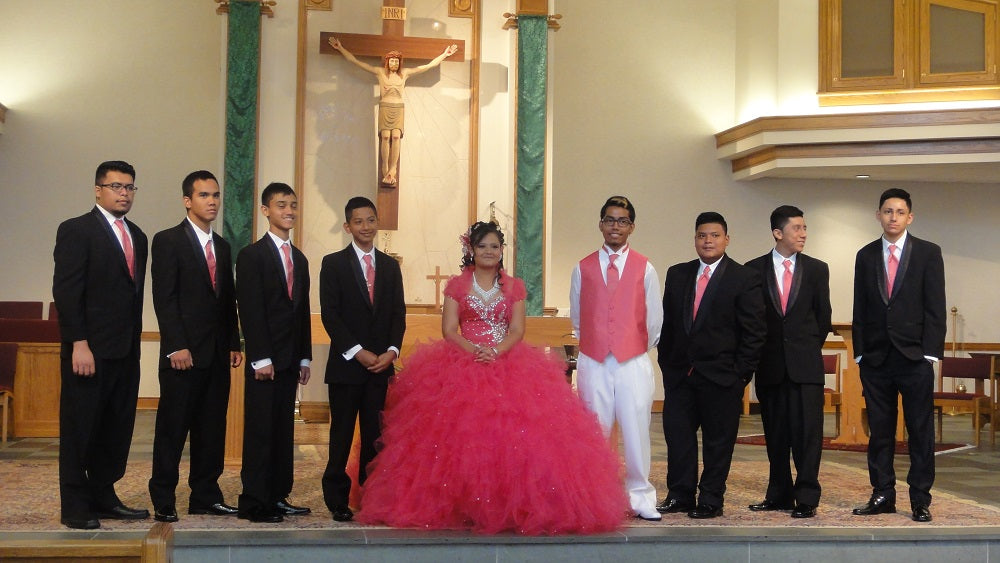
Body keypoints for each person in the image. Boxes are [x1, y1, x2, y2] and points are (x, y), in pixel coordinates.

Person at [358, 221, 627, 534]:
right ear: (472, 250)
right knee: (458, 438)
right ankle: (464, 504)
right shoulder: (457, 286)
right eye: (482, 246)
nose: (488, 251)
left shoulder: (514, 287)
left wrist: (496, 351)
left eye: (494, 246)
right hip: (463, 361)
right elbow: (449, 330)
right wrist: (474, 350)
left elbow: (517, 329)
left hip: (507, 360)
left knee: (517, 436)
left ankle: (510, 504)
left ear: (501, 251)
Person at [53, 160, 150, 529]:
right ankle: (75, 506)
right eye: (116, 186)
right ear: (98, 190)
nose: (124, 193)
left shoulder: (137, 236)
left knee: (115, 428)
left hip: (125, 350)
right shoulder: (77, 230)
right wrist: (78, 342)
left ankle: (104, 496)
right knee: (80, 428)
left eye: (129, 187)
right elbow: (67, 291)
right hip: (88, 350)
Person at [147, 170, 243, 523]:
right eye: (204, 195)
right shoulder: (168, 240)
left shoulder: (223, 246)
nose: (212, 201)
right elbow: (165, 297)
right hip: (182, 356)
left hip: (216, 355)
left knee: (211, 429)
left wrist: (233, 341)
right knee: (172, 430)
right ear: (187, 201)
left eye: (215, 195)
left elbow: (227, 299)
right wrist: (176, 346)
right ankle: (163, 497)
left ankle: (205, 495)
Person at [656, 212, 766, 519]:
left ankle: (711, 499)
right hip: (680, 376)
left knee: (718, 443)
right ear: (695, 239)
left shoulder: (744, 277)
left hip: (722, 378)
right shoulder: (678, 273)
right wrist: (667, 365)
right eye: (702, 235)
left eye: (715, 235)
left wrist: (740, 375)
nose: (708, 241)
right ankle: (679, 495)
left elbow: (755, 332)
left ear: (726, 239)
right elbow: (668, 324)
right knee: (679, 438)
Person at [851, 188, 945, 523]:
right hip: (876, 359)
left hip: (914, 357)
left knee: (920, 431)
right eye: (888, 211)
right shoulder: (865, 255)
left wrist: (930, 354)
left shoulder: (928, 253)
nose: (893, 217)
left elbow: (935, 306)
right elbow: (860, 306)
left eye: (900, 212)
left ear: (910, 217)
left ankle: (920, 498)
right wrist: (860, 353)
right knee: (880, 431)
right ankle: (882, 494)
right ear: (878, 215)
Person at [570, 195, 663, 521]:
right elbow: (578, 315)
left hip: (632, 360)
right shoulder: (582, 267)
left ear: (631, 227)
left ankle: (640, 496)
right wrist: (596, 341)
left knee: (636, 429)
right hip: (594, 360)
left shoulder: (645, 267)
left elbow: (654, 319)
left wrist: (632, 345)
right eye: (610, 220)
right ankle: (597, 496)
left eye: (622, 221)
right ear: (601, 224)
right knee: (594, 431)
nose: (615, 226)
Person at [319, 196, 406, 523]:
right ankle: (337, 499)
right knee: (341, 436)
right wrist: (358, 352)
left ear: (376, 222)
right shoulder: (333, 264)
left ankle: (371, 496)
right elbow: (331, 315)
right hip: (346, 367)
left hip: (380, 367)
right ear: (347, 226)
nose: (365, 227)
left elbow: (398, 313)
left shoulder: (390, 266)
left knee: (375, 436)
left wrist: (391, 351)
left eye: (370, 220)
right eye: (358, 221)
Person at [744, 205, 832, 519]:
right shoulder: (753, 270)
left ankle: (806, 496)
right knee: (776, 435)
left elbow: (823, 318)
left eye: (805, 227)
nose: (803, 234)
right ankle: (779, 493)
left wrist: (802, 349)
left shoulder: (817, 269)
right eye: (797, 228)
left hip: (805, 367)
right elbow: (751, 320)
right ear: (777, 232)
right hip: (770, 366)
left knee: (808, 435)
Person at [235, 182, 313, 523]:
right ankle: (255, 501)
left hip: (290, 358)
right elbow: (250, 309)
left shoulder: (300, 258)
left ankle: (278, 495)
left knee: (283, 431)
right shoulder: (252, 256)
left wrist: (304, 357)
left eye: (293, 204)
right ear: (266, 210)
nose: (289, 211)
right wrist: (261, 357)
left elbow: (302, 310)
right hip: (264, 361)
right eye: (281, 205)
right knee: (261, 432)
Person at [328, 36, 458, 186]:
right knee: (385, 137)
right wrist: (340, 48)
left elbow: (427, 66)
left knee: (396, 137)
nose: (394, 63)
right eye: (392, 61)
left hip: (398, 108)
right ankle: (385, 167)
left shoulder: (405, 73)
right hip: (385, 107)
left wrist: (445, 54)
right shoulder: (380, 73)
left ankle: (393, 168)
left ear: (400, 63)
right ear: (387, 62)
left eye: (397, 61)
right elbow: (356, 62)